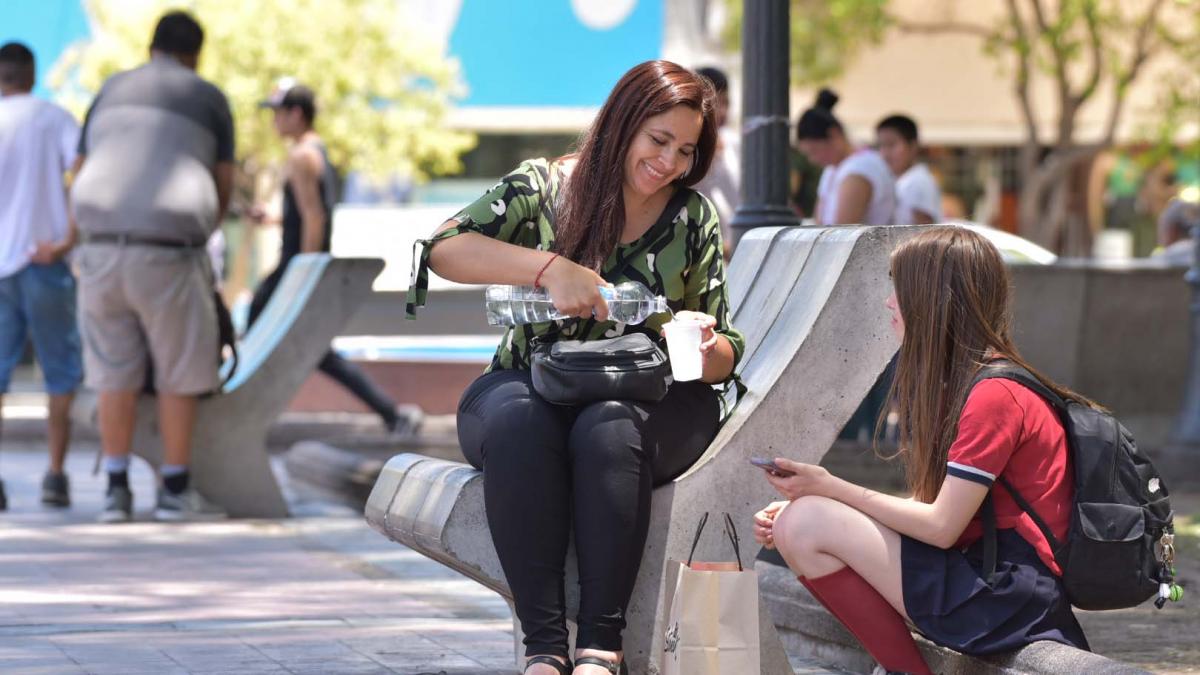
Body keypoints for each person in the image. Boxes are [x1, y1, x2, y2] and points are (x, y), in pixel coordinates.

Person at [411, 60, 743, 675]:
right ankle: (544, 650)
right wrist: (547, 269)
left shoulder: (693, 218)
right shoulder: (543, 186)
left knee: (608, 428)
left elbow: (723, 355)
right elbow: (444, 249)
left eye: (685, 150)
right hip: (529, 385)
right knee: (518, 423)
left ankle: (600, 647)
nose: (668, 162)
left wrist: (698, 343)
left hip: (648, 399)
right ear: (623, 124)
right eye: (658, 140)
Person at [752, 226, 1090, 675]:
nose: (890, 303)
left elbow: (940, 527)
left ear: (935, 300)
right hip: (986, 577)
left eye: (901, 290)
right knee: (806, 519)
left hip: (1007, 596)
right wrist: (826, 502)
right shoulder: (971, 383)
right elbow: (936, 511)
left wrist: (829, 490)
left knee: (807, 522)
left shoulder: (995, 395)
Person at [71, 11, 233, 523]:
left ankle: (115, 490)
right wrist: (203, 233)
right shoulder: (207, 95)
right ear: (195, 54)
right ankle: (174, 490)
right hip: (167, 250)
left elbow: (78, 169)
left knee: (112, 372)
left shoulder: (110, 88)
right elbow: (223, 182)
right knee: (178, 370)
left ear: (152, 47)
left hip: (98, 248)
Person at [248, 82, 419, 434]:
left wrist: (305, 277)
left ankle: (236, 419)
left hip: (297, 268)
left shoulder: (301, 156)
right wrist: (274, 219)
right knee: (315, 353)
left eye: (278, 113)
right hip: (302, 266)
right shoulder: (316, 151)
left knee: (254, 329)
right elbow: (308, 212)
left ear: (296, 113)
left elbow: (314, 218)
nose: (274, 121)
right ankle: (393, 414)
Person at [0, 42, 84, 510]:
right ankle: (55, 474)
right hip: (44, 258)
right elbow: (84, 171)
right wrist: (68, 238)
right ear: (32, 74)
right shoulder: (54, 117)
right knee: (60, 374)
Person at [796, 88, 895, 226]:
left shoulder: (861, 168)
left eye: (815, 150)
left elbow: (842, 231)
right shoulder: (833, 169)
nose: (813, 159)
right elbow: (818, 222)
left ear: (834, 134)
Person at [692, 66, 740, 256]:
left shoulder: (735, 144)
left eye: (726, 102)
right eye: (714, 103)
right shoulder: (685, 152)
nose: (722, 111)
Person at [876, 114, 942, 224]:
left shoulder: (918, 182)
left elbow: (925, 229)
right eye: (881, 145)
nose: (885, 153)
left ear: (913, 146)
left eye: (891, 144)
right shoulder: (897, 180)